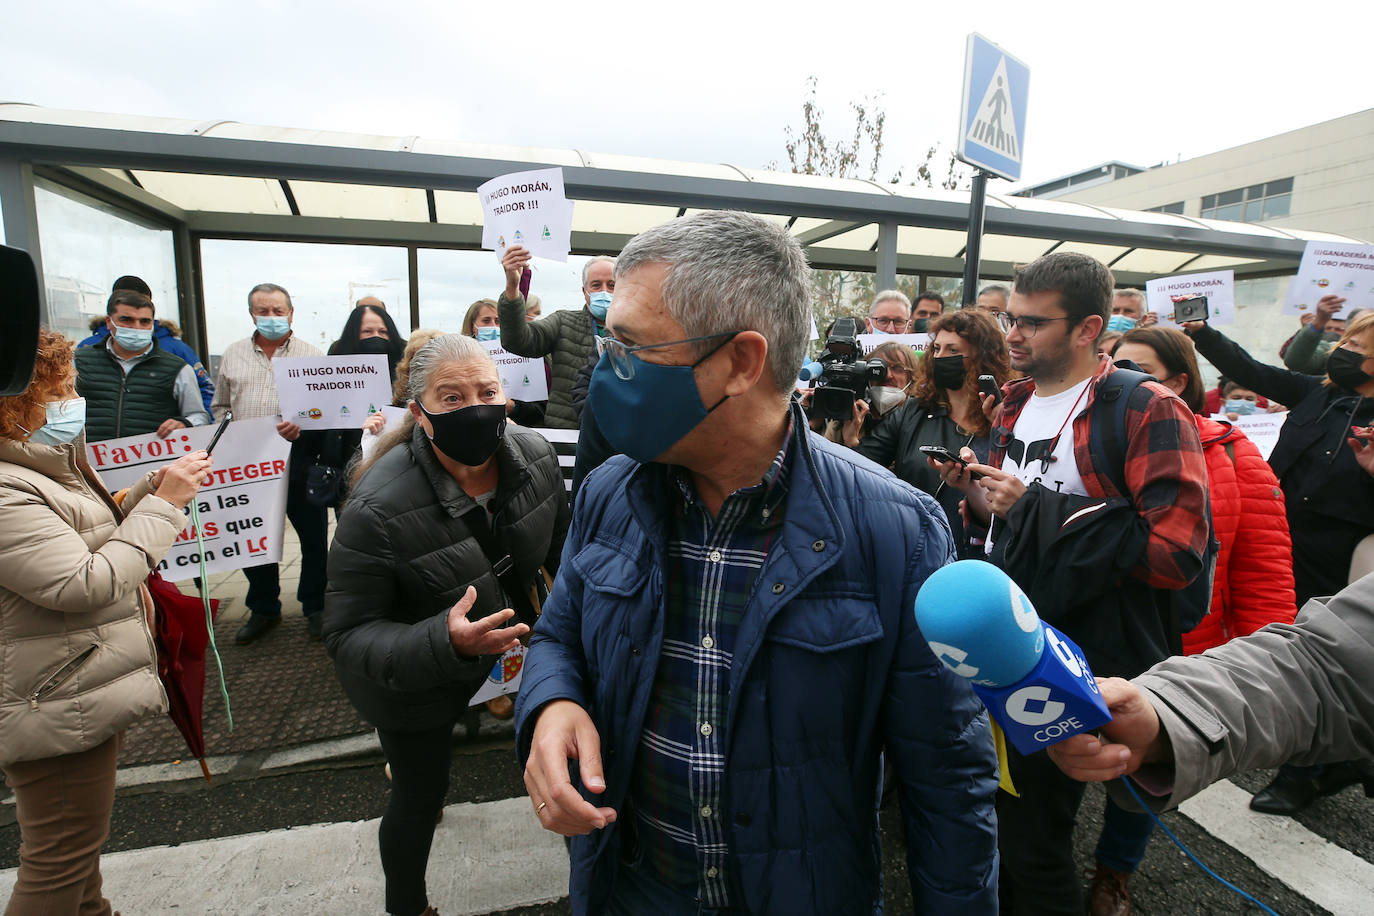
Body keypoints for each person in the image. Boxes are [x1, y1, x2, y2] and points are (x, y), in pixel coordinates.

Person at [515, 211, 999, 915]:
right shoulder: (608, 491)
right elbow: (557, 637)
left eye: (629, 346)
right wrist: (552, 705)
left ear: (741, 362)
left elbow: (948, 782)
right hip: (631, 891)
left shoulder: (894, 530)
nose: (604, 368)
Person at [935, 252, 1210, 916]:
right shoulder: (1015, 401)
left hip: (1082, 650)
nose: (1014, 335)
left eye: (1032, 322)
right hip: (1005, 631)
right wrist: (976, 494)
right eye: (1010, 318)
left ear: (1088, 328)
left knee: (1033, 838)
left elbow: (1177, 553)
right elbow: (1008, 526)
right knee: (1000, 819)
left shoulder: (1148, 408)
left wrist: (1033, 506)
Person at [324, 334, 568, 916]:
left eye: (487, 392)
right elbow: (347, 633)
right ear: (419, 413)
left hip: (512, 652)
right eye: (452, 398)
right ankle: (407, 905)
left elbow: (565, 552)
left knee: (561, 766)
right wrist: (444, 640)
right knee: (419, 794)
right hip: (414, 676)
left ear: (507, 398)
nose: (475, 409)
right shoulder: (376, 506)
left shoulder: (535, 457)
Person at [0, 329, 213, 916]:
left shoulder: (43, 469)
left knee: (75, 851)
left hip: (66, 684)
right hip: (52, 696)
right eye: (58, 393)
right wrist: (166, 506)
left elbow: (82, 533)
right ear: (14, 410)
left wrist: (151, 487)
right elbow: (83, 580)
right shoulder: (7, 488)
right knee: (59, 859)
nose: (73, 403)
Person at [1086, 326, 1296, 914]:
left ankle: (1113, 871)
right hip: (1090, 633)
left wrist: (1262, 669)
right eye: (1113, 366)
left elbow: (1263, 570)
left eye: (1139, 368)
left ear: (1178, 382)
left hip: (1176, 650)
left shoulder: (1230, 453)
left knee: (1140, 774)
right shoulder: (1084, 437)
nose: (1120, 379)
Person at [1186, 307, 1374, 815]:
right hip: (1282, 537)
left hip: (1346, 552)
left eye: (1358, 349)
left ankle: (1302, 773)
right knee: (1284, 641)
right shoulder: (1318, 391)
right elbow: (1252, 371)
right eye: (1346, 344)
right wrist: (1203, 334)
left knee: (1328, 653)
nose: (1345, 354)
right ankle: (1332, 759)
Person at [1047, 573, 1374, 816]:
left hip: (1170, 641)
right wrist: (1169, 716)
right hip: (1179, 668)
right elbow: (1324, 667)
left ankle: (1116, 870)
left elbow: (1260, 580)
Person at [211, 282, 329, 643]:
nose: (272, 318)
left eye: (278, 311)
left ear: (291, 314)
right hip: (249, 465)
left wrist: (304, 426)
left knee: (312, 538)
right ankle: (263, 607)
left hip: (299, 461)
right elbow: (220, 406)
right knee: (254, 538)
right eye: (264, 311)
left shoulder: (312, 355)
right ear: (252, 314)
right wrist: (231, 434)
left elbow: (324, 410)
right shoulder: (232, 354)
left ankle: (315, 606)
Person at [856, 309, 1011, 558]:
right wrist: (846, 433)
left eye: (952, 350)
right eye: (936, 349)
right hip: (911, 548)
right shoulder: (914, 410)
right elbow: (862, 465)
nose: (940, 357)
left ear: (982, 358)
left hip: (973, 559)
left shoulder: (1005, 416)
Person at [495, 250, 615, 428]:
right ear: (584, 291)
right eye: (596, 285)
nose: (604, 291)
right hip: (567, 436)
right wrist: (512, 288)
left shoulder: (640, 329)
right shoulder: (563, 322)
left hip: (621, 435)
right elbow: (518, 341)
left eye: (612, 285)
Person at [75, 290, 212, 441]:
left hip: (152, 460)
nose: (136, 327)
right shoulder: (79, 362)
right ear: (109, 322)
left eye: (145, 321)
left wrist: (184, 423)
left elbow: (199, 415)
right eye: (126, 320)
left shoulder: (178, 369)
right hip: (90, 460)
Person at [79, 275, 215, 411]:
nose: (136, 326)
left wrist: (192, 425)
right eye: (126, 318)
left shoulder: (176, 349)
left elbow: (204, 392)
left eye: (140, 303)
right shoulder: (84, 353)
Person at [318, 304, 407, 511]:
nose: (375, 337)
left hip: (395, 470)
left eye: (382, 332)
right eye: (367, 331)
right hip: (348, 474)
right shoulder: (332, 377)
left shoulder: (405, 374)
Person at [1283, 296, 1363, 375]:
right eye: (1328, 328)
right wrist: (1317, 323)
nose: (1332, 333)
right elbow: (1293, 360)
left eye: (1338, 329)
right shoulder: (1331, 350)